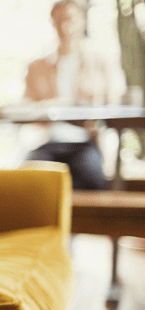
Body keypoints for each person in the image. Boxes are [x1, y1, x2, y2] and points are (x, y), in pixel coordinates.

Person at [23, 0, 127, 190]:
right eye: (58, 20)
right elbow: (26, 108)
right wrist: (46, 108)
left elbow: (114, 106)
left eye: (70, 19)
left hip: (86, 142)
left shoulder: (101, 63)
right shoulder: (36, 67)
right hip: (48, 142)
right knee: (27, 181)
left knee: (91, 178)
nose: (65, 26)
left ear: (83, 21)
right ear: (52, 23)